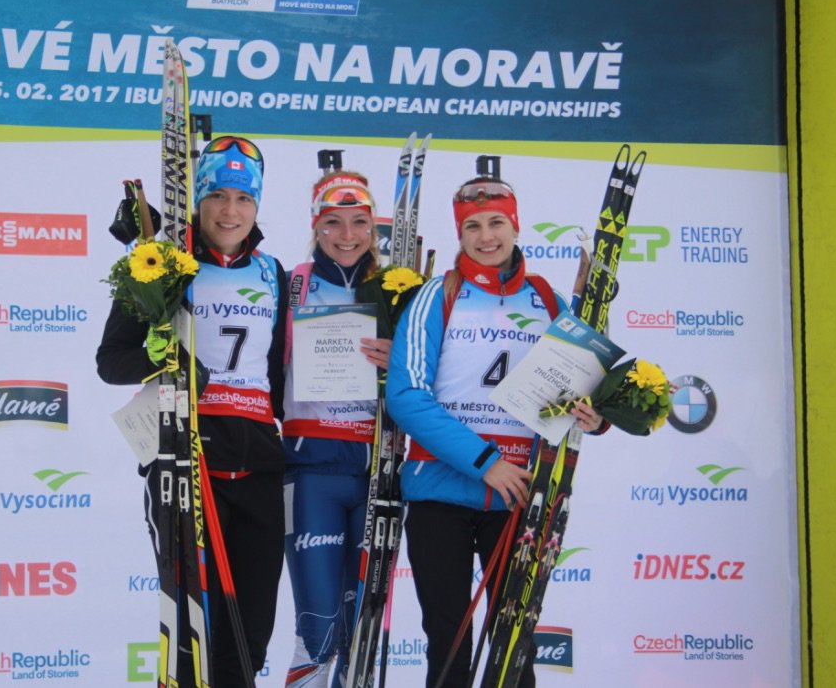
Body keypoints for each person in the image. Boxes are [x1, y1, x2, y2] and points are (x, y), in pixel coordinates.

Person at [385, 166, 605, 688]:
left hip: (520, 495)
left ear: (515, 226)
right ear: (459, 234)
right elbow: (407, 398)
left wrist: (593, 417)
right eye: (473, 227)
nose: (486, 237)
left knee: (513, 642)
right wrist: (486, 463)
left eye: (496, 223)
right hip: (442, 492)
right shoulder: (437, 296)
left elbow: (573, 382)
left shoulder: (548, 299)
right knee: (449, 636)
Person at [97, 136, 288, 687]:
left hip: (257, 465)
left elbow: (279, 375)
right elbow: (111, 361)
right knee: (188, 626)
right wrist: (159, 357)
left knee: (249, 631)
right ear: (198, 200)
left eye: (244, 199)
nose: (231, 211)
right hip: (185, 458)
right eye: (219, 197)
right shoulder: (159, 266)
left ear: (256, 206)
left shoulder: (274, 274)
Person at [281, 170, 391, 687]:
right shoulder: (292, 282)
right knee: (319, 623)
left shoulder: (396, 289)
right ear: (316, 225)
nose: (347, 235)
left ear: (374, 226)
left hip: (378, 473)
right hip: (309, 471)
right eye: (333, 222)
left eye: (359, 222)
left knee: (363, 626)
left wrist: (402, 362)